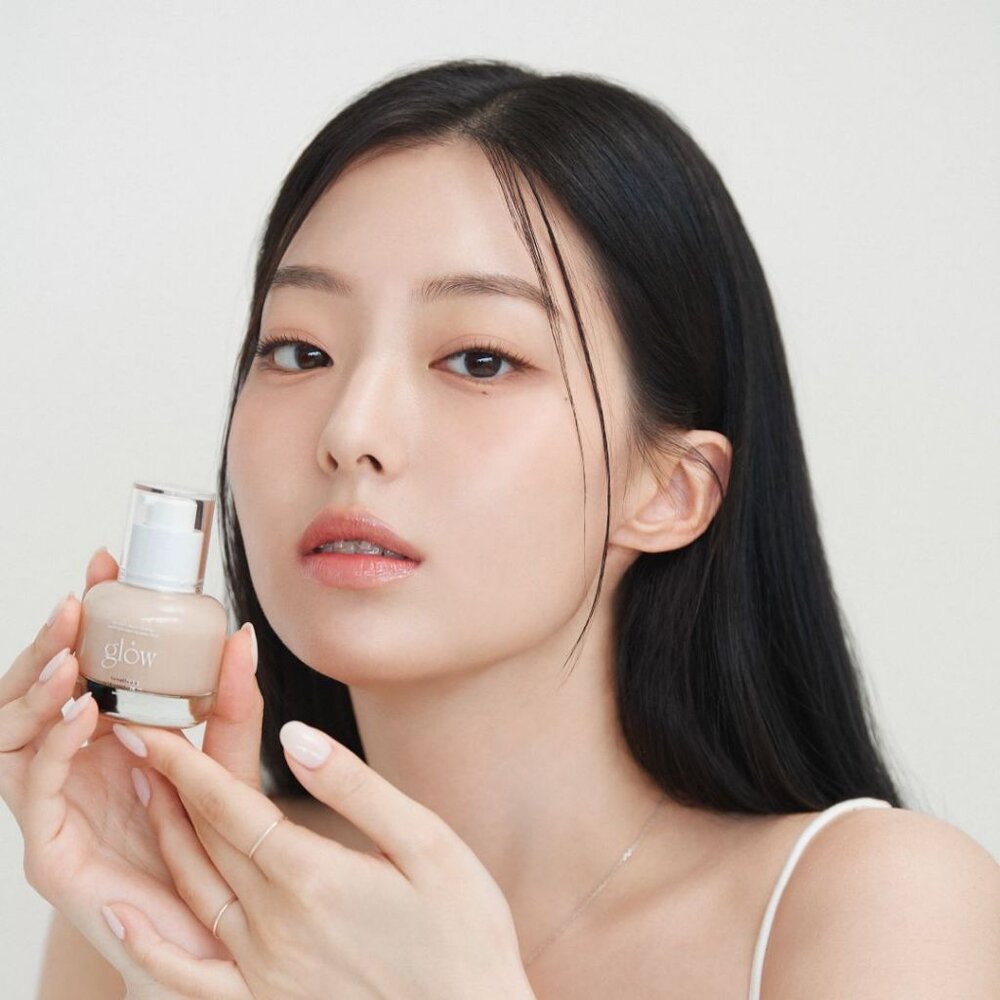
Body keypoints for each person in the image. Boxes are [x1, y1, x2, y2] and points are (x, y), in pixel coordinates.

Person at [5, 57, 998, 999]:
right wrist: (167, 967)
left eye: (479, 360)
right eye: (300, 350)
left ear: (669, 489)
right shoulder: (172, 887)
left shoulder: (875, 906)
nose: (351, 431)